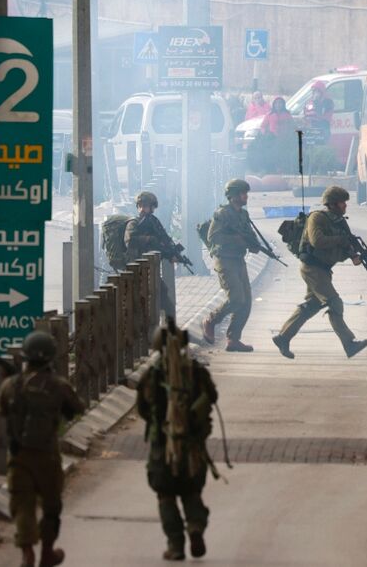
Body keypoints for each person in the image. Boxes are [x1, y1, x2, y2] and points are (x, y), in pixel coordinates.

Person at [0, 330, 86, 567]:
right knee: (50, 505)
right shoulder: (57, 385)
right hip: (48, 454)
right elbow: (78, 407)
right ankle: (47, 551)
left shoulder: (10, 385)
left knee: (22, 503)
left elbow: (3, 411)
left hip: (18, 455)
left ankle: (27, 552)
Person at [137, 320, 218, 561]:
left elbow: (142, 409)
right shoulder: (196, 371)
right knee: (191, 492)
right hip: (192, 446)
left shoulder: (152, 376)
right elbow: (212, 396)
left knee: (166, 496)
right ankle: (195, 526)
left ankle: (175, 544)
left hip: (163, 447)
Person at [272, 186, 367, 359]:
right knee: (335, 302)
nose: (345, 206)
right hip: (312, 268)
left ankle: (283, 337)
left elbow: (345, 244)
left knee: (311, 306)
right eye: (342, 203)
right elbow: (317, 241)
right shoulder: (317, 218)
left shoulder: (339, 222)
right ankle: (349, 344)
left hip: (323, 270)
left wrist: (354, 253)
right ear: (332, 204)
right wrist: (341, 240)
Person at [202, 179, 260, 352]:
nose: (245, 196)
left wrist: (253, 244)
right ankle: (211, 321)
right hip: (225, 260)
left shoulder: (243, 215)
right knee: (236, 298)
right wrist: (236, 239)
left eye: (246, 193)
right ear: (233, 195)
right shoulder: (222, 214)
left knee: (246, 302)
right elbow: (213, 237)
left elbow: (249, 234)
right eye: (242, 193)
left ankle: (233, 339)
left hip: (238, 260)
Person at [125, 191, 184, 317]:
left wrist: (171, 253)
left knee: (162, 295)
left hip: (150, 267)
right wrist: (148, 239)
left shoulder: (153, 222)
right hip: (137, 268)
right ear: (140, 205)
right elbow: (130, 240)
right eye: (147, 206)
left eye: (152, 207)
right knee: (149, 299)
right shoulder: (134, 223)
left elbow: (162, 240)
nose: (150, 210)